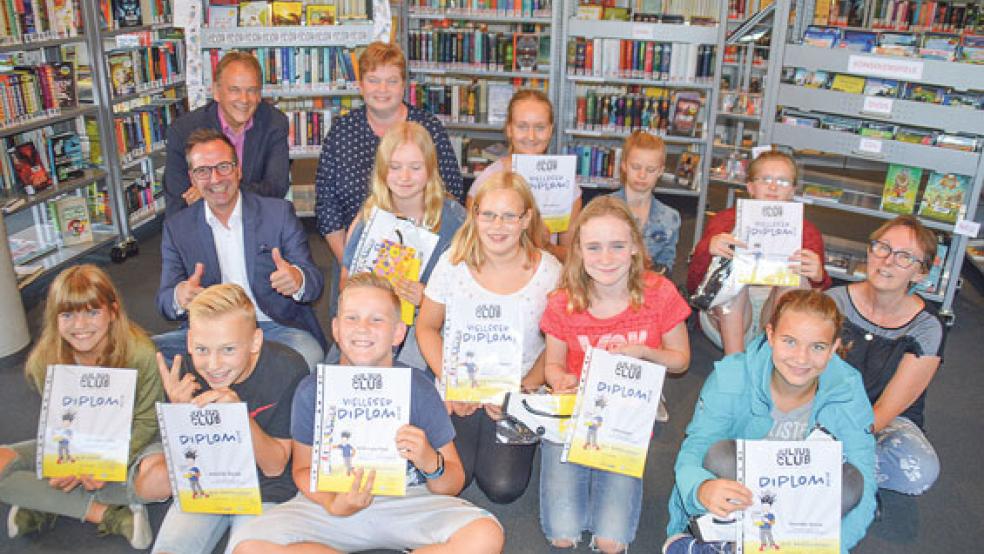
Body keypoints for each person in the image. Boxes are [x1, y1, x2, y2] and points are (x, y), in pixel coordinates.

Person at [227, 273, 504, 553]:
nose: (363, 328)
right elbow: (302, 469)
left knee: (485, 534)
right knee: (248, 547)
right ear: (336, 329)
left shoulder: (418, 387)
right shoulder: (312, 390)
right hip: (333, 503)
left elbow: (452, 482)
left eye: (377, 320)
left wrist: (430, 460)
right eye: (352, 318)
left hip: (407, 500)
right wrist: (332, 502)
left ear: (398, 332)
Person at [664, 289, 876, 554]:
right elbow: (694, 451)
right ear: (771, 335)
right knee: (718, 454)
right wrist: (701, 489)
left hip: (800, 499)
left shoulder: (847, 388)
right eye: (790, 341)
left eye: (818, 347)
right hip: (743, 490)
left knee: (852, 482)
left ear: (834, 348)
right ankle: (716, 538)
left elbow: (866, 481)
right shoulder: (732, 376)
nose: (801, 358)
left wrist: (833, 548)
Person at [539, 196, 691, 552]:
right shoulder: (562, 300)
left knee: (611, 542)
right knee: (562, 534)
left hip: (627, 416)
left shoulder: (659, 293)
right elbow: (552, 366)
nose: (605, 259)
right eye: (594, 247)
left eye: (617, 246)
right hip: (575, 412)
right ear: (577, 250)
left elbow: (682, 360)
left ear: (635, 248)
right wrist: (559, 379)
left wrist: (645, 352)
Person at [417, 171, 562, 504]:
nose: (498, 225)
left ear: (526, 219)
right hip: (459, 387)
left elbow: (556, 346)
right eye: (489, 215)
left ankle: (529, 434)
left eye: (510, 216)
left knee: (503, 486)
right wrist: (449, 379)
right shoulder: (453, 262)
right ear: (475, 215)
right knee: (455, 478)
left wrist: (522, 390)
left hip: (518, 387)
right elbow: (426, 327)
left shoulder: (549, 273)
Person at [0, 265, 164, 549]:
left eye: (92, 312)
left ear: (113, 311)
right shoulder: (43, 362)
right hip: (76, 443)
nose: (80, 326)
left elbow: (148, 423)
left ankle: (45, 501)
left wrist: (105, 463)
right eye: (67, 314)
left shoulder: (141, 353)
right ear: (55, 319)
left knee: (162, 479)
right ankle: (105, 513)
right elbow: (60, 425)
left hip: (133, 443)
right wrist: (72, 463)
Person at [139, 283, 308, 554]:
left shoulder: (287, 368)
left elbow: (275, 466)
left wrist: (238, 416)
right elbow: (178, 467)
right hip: (208, 481)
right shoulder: (185, 372)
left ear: (255, 341)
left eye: (228, 350)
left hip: (266, 490)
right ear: (190, 341)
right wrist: (181, 416)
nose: (214, 365)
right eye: (202, 349)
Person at [154, 129, 326, 371]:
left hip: (271, 328)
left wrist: (298, 279)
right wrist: (179, 296)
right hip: (210, 333)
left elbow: (314, 281)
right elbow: (164, 300)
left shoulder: (278, 213)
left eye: (223, 166)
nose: (215, 179)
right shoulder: (177, 228)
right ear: (192, 179)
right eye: (203, 171)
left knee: (308, 355)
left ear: (238, 170)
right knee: (147, 355)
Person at [315, 41, 464, 265]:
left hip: (425, 261)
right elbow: (327, 205)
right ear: (361, 85)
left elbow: (451, 191)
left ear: (404, 85)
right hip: (356, 254)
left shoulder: (428, 129)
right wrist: (352, 262)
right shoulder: (341, 132)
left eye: (391, 81)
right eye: (373, 80)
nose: (382, 89)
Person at [826, 215, 943, 495]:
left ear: (920, 273)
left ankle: (821, 471)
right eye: (882, 247)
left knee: (919, 471)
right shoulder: (832, 302)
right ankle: (840, 476)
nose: (888, 260)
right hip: (829, 410)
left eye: (905, 257)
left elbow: (885, 410)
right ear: (870, 251)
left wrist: (832, 444)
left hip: (887, 421)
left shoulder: (927, 327)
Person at [340, 121, 467, 368]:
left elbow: (472, 294)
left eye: (415, 167)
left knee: (412, 372)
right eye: (395, 167)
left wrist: (429, 299)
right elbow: (346, 284)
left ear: (430, 169)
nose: (405, 177)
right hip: (374, 322)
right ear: (382, 171)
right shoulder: (369, 216)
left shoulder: (455, 221)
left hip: (432, 325)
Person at [686, 150, 832, 355]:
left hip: (778, 317)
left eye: (782, 181)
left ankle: (770, 358)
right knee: (733, 273)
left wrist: (818, 277)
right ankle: (734, 361)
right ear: (750, 187)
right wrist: (707, 250)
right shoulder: (724, 221)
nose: (773, 187)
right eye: (765, 179)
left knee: (796, 276)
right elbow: (694, 285)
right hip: (724, 317)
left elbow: (816, 301)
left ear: (793, 190)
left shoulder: (806, 230)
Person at [164, 52, 289, 218]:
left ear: (259, 95)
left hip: (256, 219)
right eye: (234, 90)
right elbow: (179, 200)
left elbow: (276, 187)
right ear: (216, 91)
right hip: (203, 222)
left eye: (252, 90)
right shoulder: (183, 131)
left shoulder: (274, 123)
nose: (244, 100)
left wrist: (215, 191)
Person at [468, 89, 581, 262]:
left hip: (545, 277)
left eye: (540, 127)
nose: (531, 136)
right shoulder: (487, 181)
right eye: (522, 126)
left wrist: (547, 246)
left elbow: (572, 257)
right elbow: (472, 247)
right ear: (509, 129)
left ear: (551, 130)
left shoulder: (565, 183)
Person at [608, 130, 681, 273]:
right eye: (636, 167)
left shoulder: (671, 218)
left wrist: (654, 269)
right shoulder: (604, 208)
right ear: (623, 166)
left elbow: (667, 267)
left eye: (651, 169)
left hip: (649, 289)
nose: (642, 175)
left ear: (660, 171)